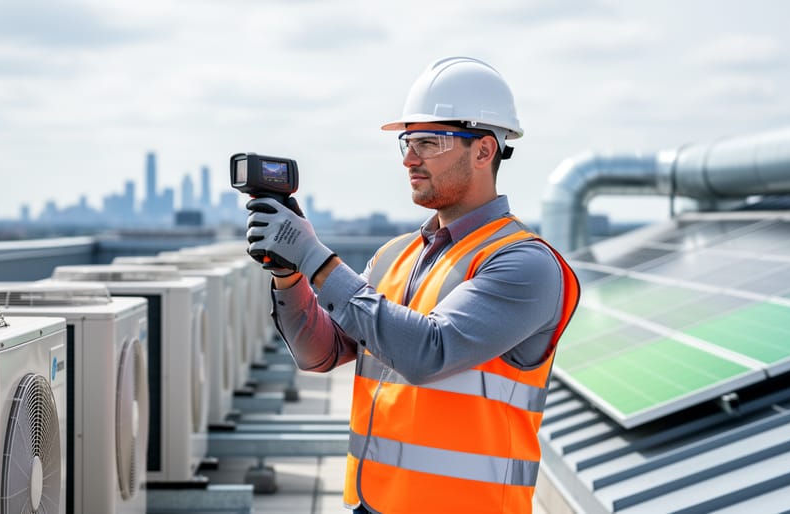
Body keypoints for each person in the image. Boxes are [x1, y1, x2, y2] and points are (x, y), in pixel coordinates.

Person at [244, 56, 580, 514]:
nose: (409, 158)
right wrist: (290, 273)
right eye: (407, 141)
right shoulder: (396, 255)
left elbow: (429, 352)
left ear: (484, 151)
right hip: (374, 502)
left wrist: (316, 259)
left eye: (428, 142)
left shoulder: (524, 263)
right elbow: (318, 353)